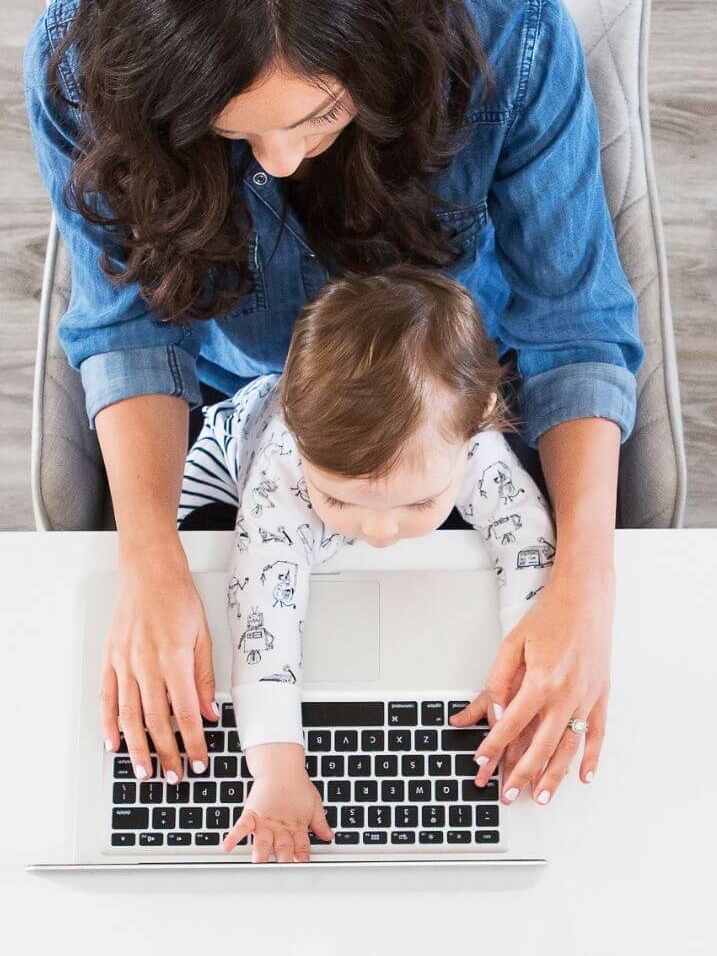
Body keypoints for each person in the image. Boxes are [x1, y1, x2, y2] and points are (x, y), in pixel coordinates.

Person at [22, 0, 642, 811]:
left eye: (314, 116)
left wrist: (585, 580)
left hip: (442, 411)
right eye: (231, 131)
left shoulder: (514, 34)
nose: (274, 163)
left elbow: (572, 322)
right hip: (224, 419)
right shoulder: (85, 71)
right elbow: (128, 324)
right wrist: (150, 562)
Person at [175, 266, 556, 863]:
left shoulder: (469, 434)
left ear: (478, 420)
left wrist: (525, 675)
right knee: (208, 552)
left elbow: (527, 538)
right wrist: (276, 772)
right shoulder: (284, 472)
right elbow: (260, 629)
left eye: (417, 502)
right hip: (226, 481)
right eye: (343, 500)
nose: (380, 532)